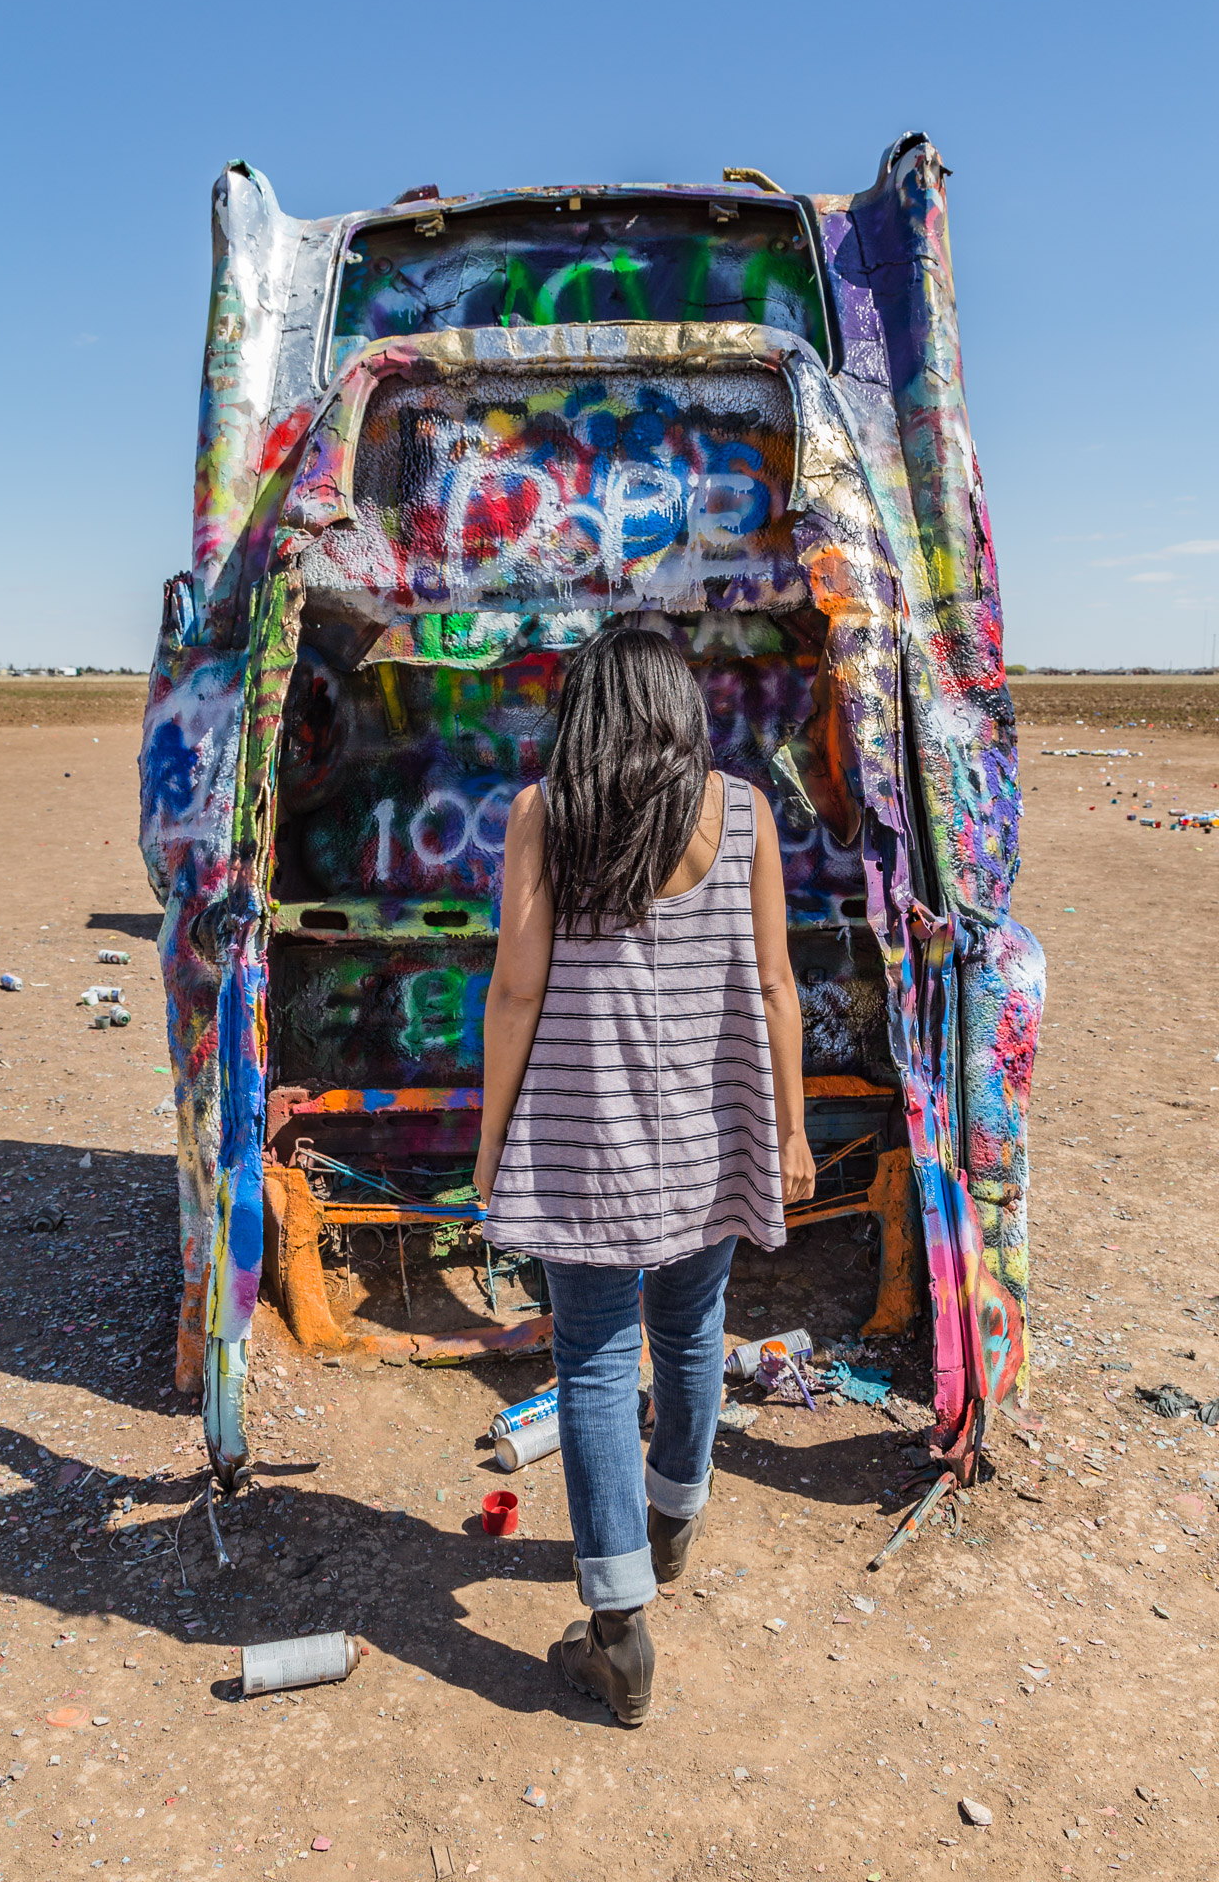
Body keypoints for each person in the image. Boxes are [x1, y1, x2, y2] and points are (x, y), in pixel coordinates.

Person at [474, 624, 815, 1725]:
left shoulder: (543, 817)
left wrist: (490, 1143)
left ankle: (618, 1635)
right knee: (689, 1331)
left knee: (589, 1362)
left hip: (583, 1148)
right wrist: (793, 1133)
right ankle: (672, 1520)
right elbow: (774, 987)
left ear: (587, 707)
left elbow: (515, 995)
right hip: (711, 1140)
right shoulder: (746, 814)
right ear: (677, 705)